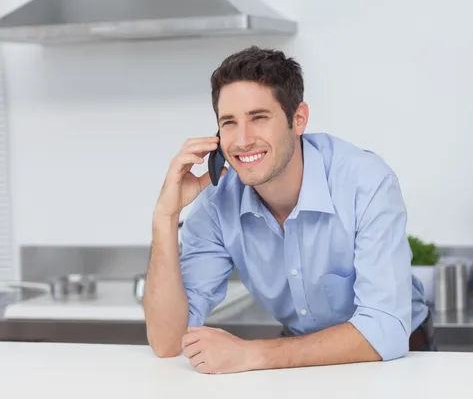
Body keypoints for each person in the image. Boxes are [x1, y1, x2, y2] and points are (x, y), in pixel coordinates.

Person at [144, 46, 435, 374]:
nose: (242, 140)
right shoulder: (217, 201)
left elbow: (386, 329)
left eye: (259, 118)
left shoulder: (365, 181)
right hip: (296, 357)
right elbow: (168, 341)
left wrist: (252, 355)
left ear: (298, 119)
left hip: (396, 361)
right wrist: (165, 216)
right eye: (229, 123)